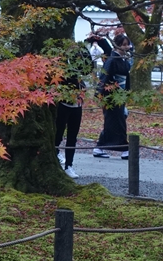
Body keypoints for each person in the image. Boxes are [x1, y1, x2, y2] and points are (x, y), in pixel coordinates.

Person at [55, 42, 93, 178]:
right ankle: (56, 156)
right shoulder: (63, 66)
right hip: (64, 104)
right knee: (58, 134)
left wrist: (84, 46)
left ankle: (69, 165)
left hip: (77, 105)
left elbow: (89, 67)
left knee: (72, 137)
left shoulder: (80, 66)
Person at [93, 33, 131, 160]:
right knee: (117, 122)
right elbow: (104, 77)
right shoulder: (112, 59)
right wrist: (101, 93)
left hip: (120, 95)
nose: (126, 47)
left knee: (114, 122)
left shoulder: (123, 59)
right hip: (111, 96)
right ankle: (124, 149)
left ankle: (99, 146)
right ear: (117, 45)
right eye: (123, 45)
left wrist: (127, 93)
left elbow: (127, 78)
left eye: (127, 44)